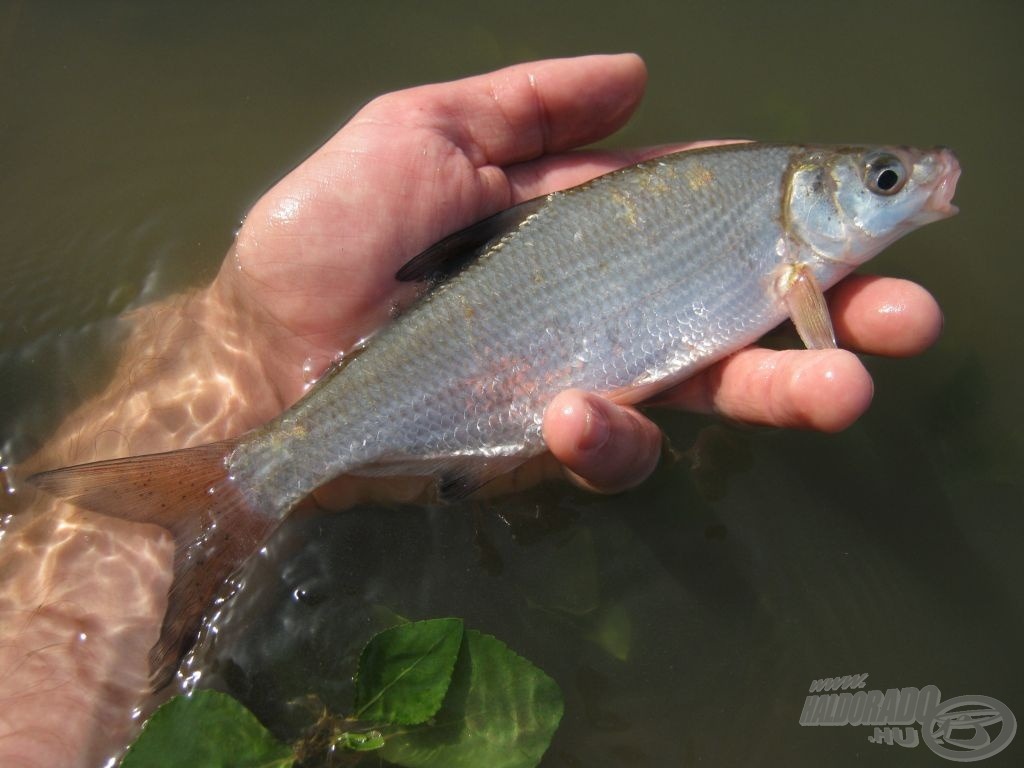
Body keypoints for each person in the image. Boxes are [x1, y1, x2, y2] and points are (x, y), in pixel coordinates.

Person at [0, 54, 942, 767]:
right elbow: (819, 340)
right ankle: (248, 483)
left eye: (887, 178)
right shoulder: (784, 240)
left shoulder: (768, 214)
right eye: (885, 181)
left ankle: (250, 482)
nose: (912, 183)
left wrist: (231, 350)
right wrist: (241, 347)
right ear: (808, 200)